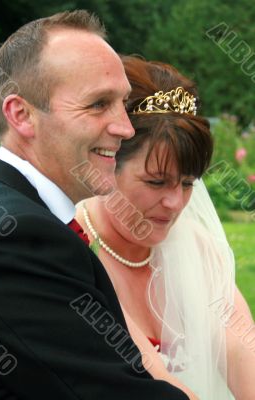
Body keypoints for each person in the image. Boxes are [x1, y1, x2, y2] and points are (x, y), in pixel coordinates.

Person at [0, 11, 192, 400]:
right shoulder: (18, 240)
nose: (125, 127)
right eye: (97, 104)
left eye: (122, 102)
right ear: (21, 114)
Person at [76, 56, 255, 399]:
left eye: (187, 183)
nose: (175, 203)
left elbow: (243, 357)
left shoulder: (197, 249)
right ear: (107, 163)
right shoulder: (75, 251)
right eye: (157, 182)